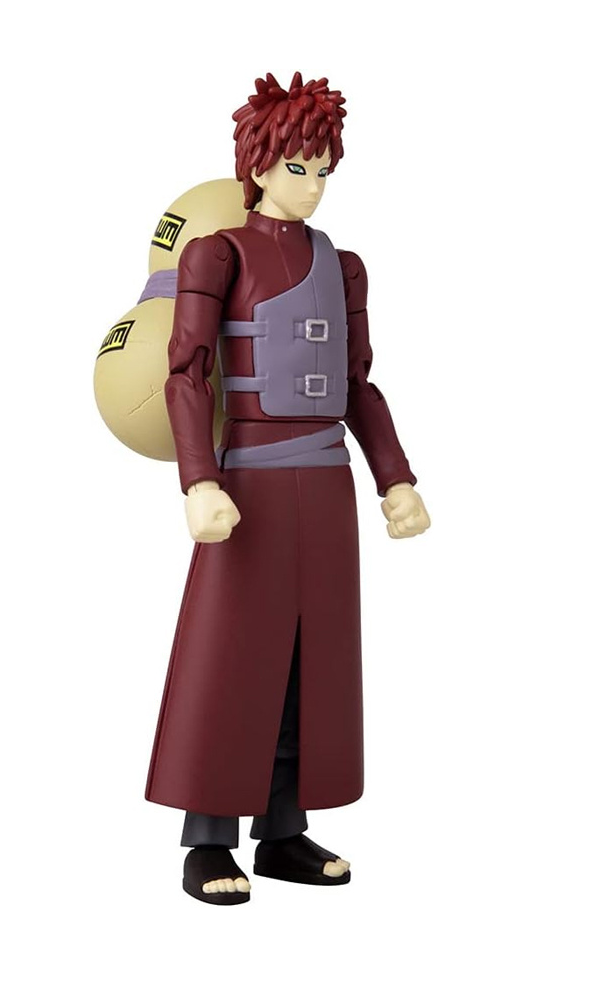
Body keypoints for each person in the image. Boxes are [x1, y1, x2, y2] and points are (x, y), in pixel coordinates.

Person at [145, 72, 430, 905]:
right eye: (298, 167)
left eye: (323, 170)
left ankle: (283, 829)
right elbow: (187, 374)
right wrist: (198, 480)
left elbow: (358, 384)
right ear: (259, 165)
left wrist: (395, 478)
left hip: (328, 484)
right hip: (249, 486)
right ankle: (208, 840)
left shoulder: (344, 267)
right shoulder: (218, 254)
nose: (311, 186)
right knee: (229, 655)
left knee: (316, 657)